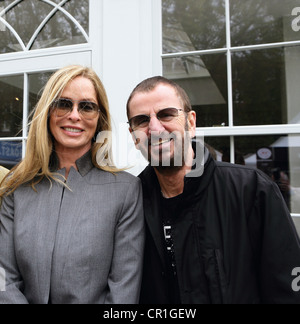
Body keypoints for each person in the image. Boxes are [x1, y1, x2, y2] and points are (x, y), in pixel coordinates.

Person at [126, 76, 300, 304]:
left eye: (166, 114)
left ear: (191, 122)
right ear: (134, 136)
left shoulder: (251, 190)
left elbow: (287, 291)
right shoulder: (131, 203)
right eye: (141, 120)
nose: (155, 128)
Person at [0, 65, 144, 304]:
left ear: (100, 118)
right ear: (48, 111)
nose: (74, 115)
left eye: (87, 107)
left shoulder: (126, 191)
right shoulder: (16, 187)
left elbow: (123, 291)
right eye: (63, 104)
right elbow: (4, 277)